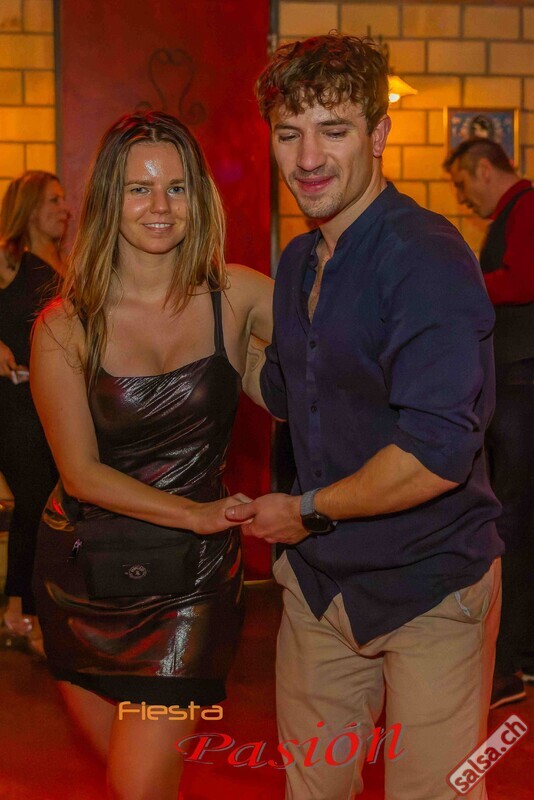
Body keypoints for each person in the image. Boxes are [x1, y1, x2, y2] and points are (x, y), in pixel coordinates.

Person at [227, 34, 503, 800]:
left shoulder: (425, 258)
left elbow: (436, 453)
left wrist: (304, 511)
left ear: (378, 134)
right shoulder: (299, 259)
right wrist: (192, 334)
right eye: (289, 133)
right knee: (313, 790)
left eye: (334, 130)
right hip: (322, 589)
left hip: (430, 585)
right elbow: (292, 392)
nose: (308, 157)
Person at [30, 111, 272, 800]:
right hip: (83, 575)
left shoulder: (238, 295)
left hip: (191, 584)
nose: (160, 206)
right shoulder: (64, 325)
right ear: (110, 199)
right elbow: (80, 473)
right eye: (139, 188)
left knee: (137, 786)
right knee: (136, 783)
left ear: (199, 197)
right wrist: (195, 513)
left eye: (176, 187)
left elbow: (340, 359)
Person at [444, 137, 534, 708]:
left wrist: (462, 287)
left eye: (461, 184)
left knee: (512, 524)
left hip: (523, 384)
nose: (463, 197)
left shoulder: (526, 204)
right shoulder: (517, 210)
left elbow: (523, 280)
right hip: (521, 383)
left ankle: (507, 666)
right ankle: (521, 656)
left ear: (483, 169)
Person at [0, 170, 70, 651]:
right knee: (34, 499)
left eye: (64, 200)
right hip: (12, 402)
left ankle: (26, 610)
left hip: (50, 403)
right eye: (53, 200)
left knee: (49, 504)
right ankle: (21, 612)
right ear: (29, 208)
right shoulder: (10, 258)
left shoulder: (65, 264)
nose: (64, 209)